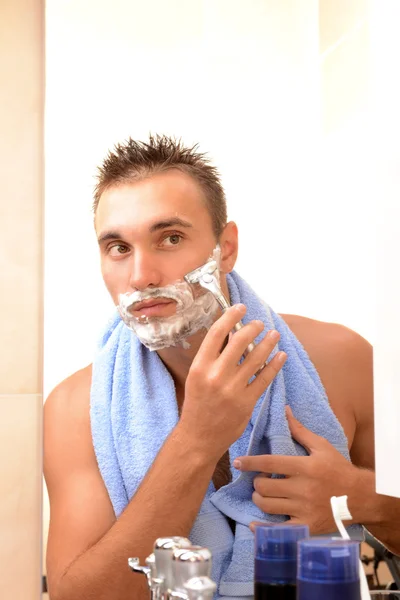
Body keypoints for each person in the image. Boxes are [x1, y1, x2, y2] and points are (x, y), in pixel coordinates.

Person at [44, 135, 400, 600]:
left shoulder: (344, 360)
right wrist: (196, 440)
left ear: (225, 247)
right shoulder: (75, 410)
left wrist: (360, 498)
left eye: (170, 238)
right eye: (118, 248)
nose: (141, 276)